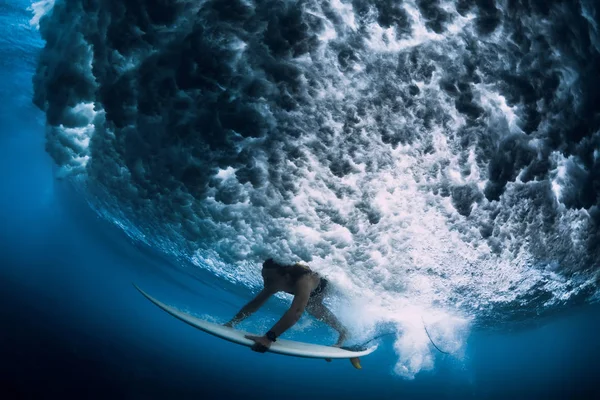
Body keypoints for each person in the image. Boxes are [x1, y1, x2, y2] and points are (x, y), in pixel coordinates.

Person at [224, 258, 348, 353]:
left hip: (323, 285)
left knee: (311, 306)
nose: (265, 283)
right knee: (309, 305)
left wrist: (268, 338)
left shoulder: (303, 281)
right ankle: (344, 331)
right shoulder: (275, 281)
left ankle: (344, 332)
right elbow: (255, 304)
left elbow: (296, 313)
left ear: (286, 277)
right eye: (264, 278)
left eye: (269, 279)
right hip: (304, 282)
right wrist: (232, 323)